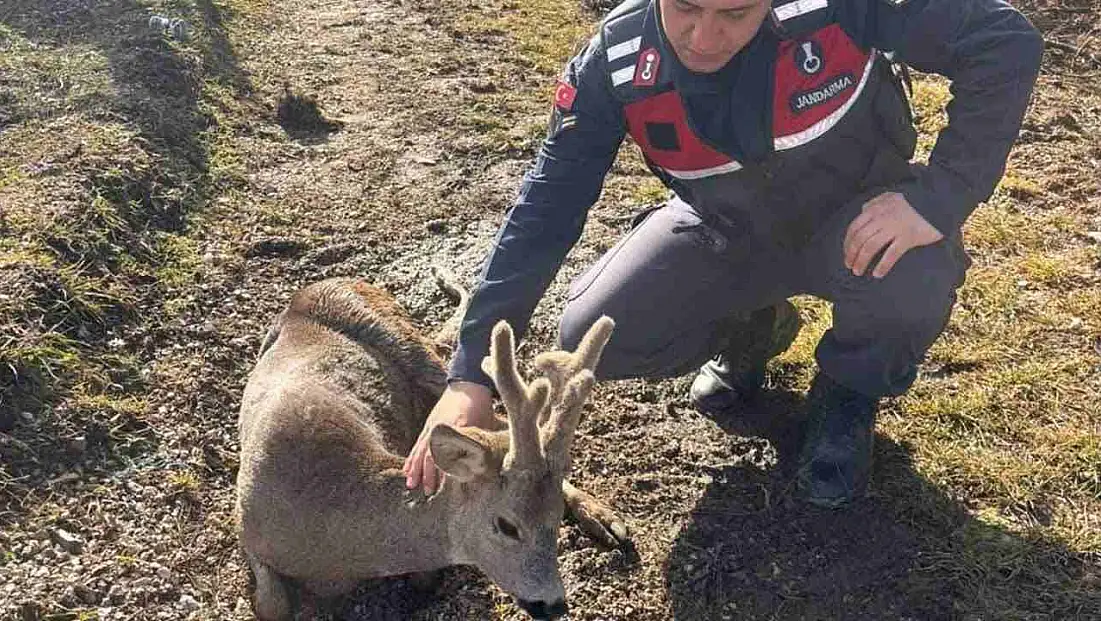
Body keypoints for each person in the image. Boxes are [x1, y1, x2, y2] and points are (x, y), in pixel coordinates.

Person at [404, 0, 1043, 508]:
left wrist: (938, 198)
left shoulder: (839, 6)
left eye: (734, 13)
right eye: (684, 8)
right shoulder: (615, 61)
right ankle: (753, 329)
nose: (704, 38)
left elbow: (1003, 43)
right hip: (728, 230)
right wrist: (469, 375)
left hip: (855, 223)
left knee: (915, 272)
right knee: (596, 331)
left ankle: (849, 392)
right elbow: (544, 210)